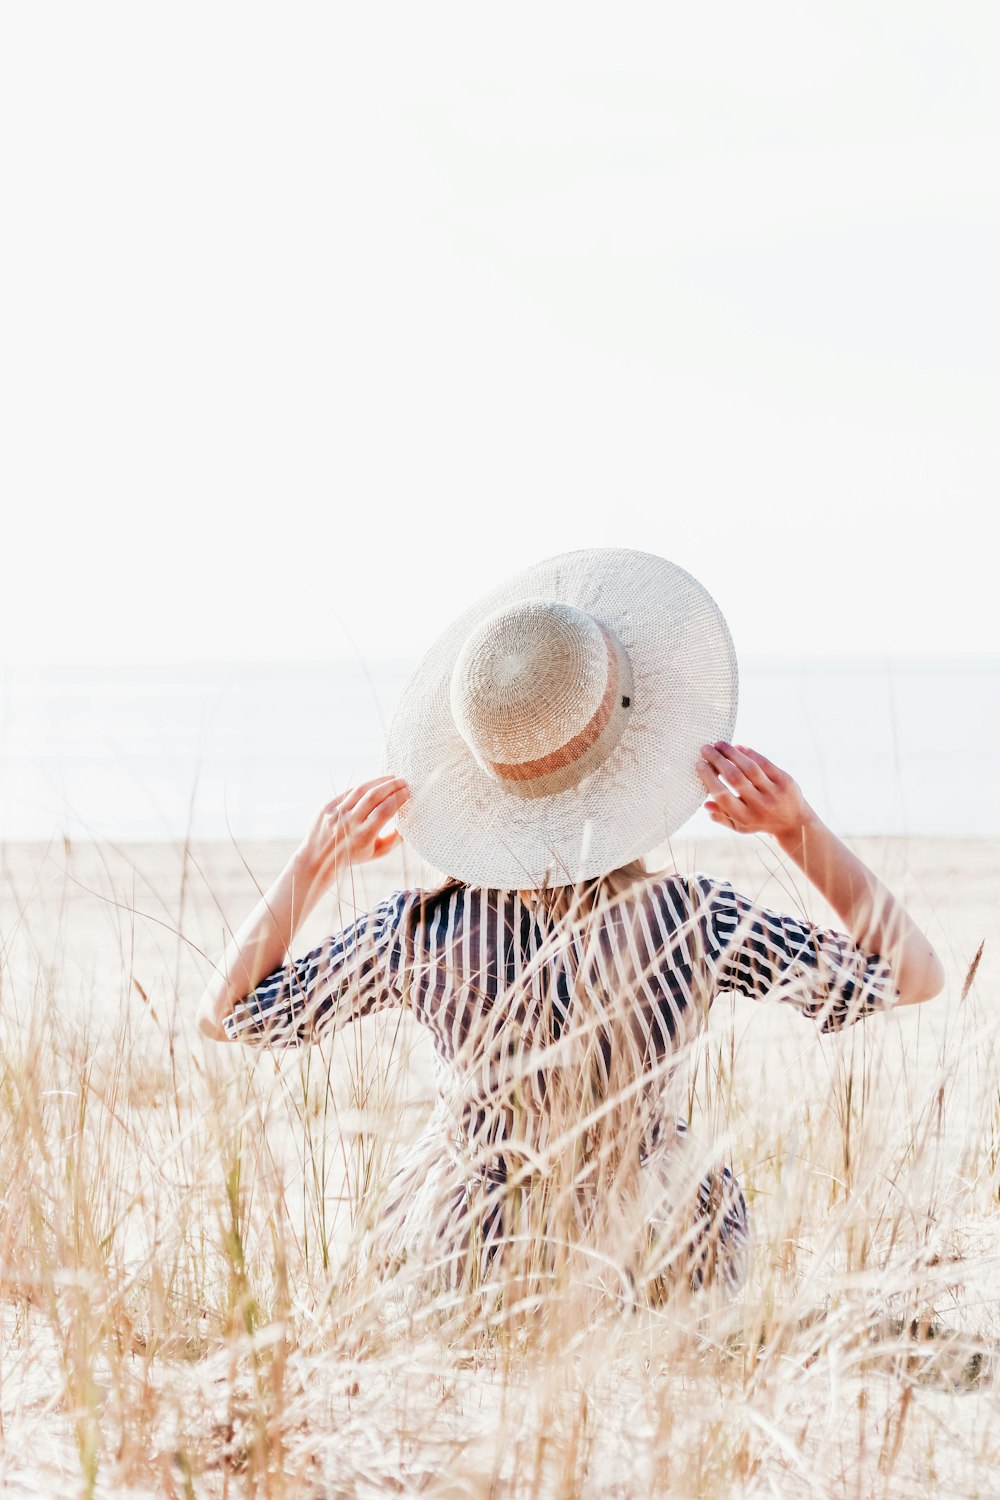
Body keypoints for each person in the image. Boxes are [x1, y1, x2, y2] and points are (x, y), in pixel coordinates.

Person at [196, 549, 944, 1306]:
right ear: (633, 745)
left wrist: (313, 862)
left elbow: (227, 1015)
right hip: (660, 1257)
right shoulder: (691, 919)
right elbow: (915, 977)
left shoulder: (418, 931)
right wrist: (798, 829)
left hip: (468, 1265)